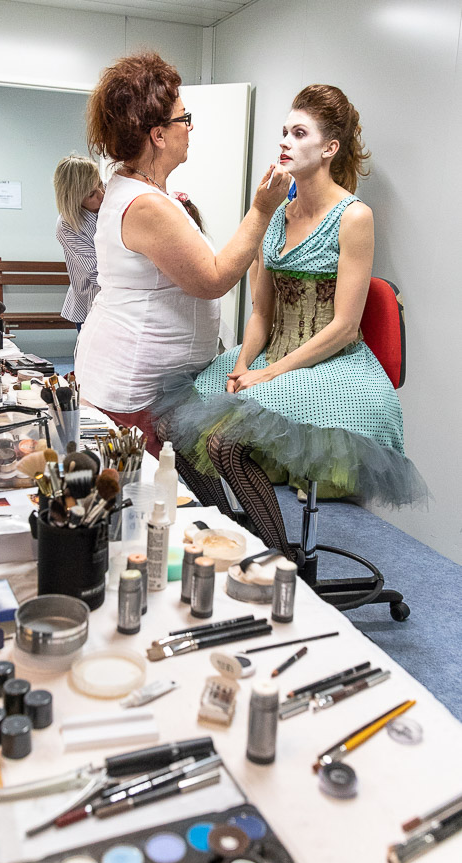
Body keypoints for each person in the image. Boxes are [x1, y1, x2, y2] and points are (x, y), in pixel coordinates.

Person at [158, 84, 427, 553]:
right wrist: (243, 364)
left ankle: (280, 562)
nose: (283, 141)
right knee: (173, 430)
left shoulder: (353, 216)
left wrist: (267, 373)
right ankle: (233, 533)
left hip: (330, 366)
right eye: (283, 131)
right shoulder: (278, 213)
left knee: (228, 445)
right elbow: (262, 310)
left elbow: (344, 326)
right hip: (271, 356)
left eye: (297, 132)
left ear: (329, 148)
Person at [74, 52, 290, 455]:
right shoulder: (146, 205)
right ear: (158, 134)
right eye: (183, 119)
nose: (190, 129)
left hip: (140, 378)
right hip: (133, 387)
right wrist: (262, 209)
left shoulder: (139, 189)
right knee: (134, 494)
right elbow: (212, 280)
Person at [54, 154, 105, 331]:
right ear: (73, 199)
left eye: (100, 184)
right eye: (91, 194)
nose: (102, 194)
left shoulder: (107, 194)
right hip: (90, 302)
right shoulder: (67, 226)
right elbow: (96, 273)